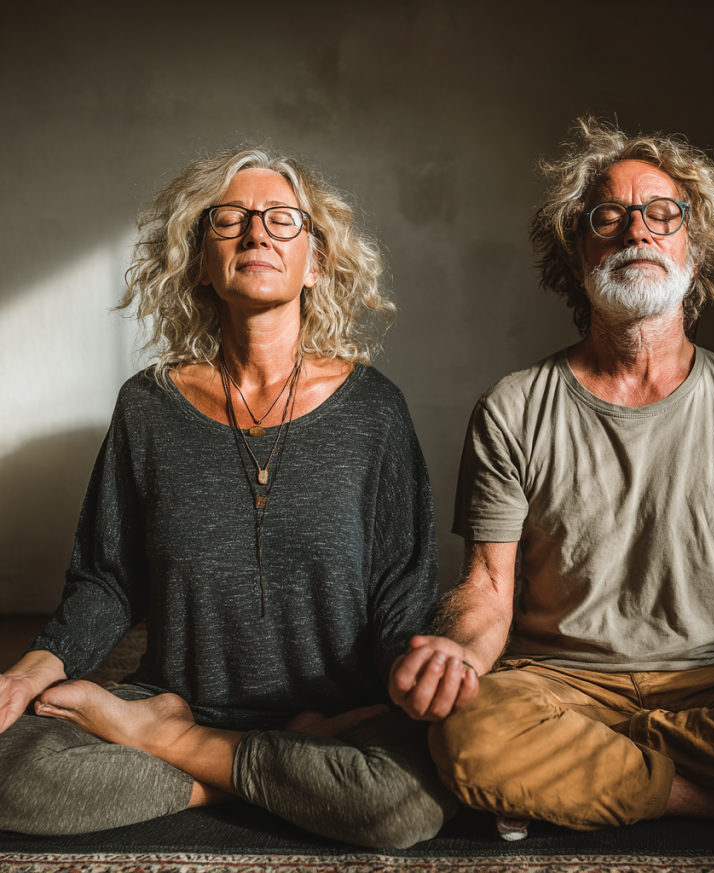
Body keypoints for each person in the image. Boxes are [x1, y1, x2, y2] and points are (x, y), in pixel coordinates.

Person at [389, 117, 714, 836]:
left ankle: (590, 784)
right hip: (560, 689)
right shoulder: (515, 404)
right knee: (471, 732)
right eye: (607, 216)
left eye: (661, 214)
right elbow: (487, 587)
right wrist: (459, 650)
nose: (634, 232)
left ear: (695, 246)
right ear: (576, 250)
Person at [0, 147, 456, 847]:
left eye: (282, 220)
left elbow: (402, 585)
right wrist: (39, 661)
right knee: (14, 775)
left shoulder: (374, 411)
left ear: (317, 261)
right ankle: (262, 771)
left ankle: (176, 747)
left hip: (335, 709)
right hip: (175, 695)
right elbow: (109, 576)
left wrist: (410, 686)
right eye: (230, 221)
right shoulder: (147, 407)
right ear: (197, 260)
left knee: (402, 805)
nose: (256, 235)